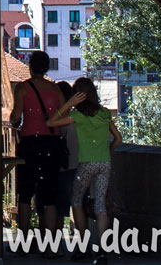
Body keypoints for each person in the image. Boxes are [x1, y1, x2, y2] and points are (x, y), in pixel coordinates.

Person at [48, 77, 122, 262]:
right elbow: (118, 138)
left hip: (85, 163)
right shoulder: (104, 113)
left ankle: (83, 246)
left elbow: (51, 123)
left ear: (77, 96)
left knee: (76, 200)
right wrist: (108, 151)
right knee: (100, 205)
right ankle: (104, 250)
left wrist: (68, 105)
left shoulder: (77, 116)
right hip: (104, 162)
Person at [9, 50, 65, 235]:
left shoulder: (23, 88)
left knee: (25, 193)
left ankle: (24, 241)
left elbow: (16, 116)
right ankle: (49, 245)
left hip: (30, 142)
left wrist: (15, 120)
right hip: (52, 142)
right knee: (49, 194)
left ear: (31, 67)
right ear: (47, 67)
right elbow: (64, 114)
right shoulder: (55, 89)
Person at [55, 81, 80, 225]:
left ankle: (54, 242)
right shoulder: (79, 116)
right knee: (78, 205)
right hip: (79, 163)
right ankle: (83, 242)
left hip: (64, 166)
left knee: (59, 207)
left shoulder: (61, 118)